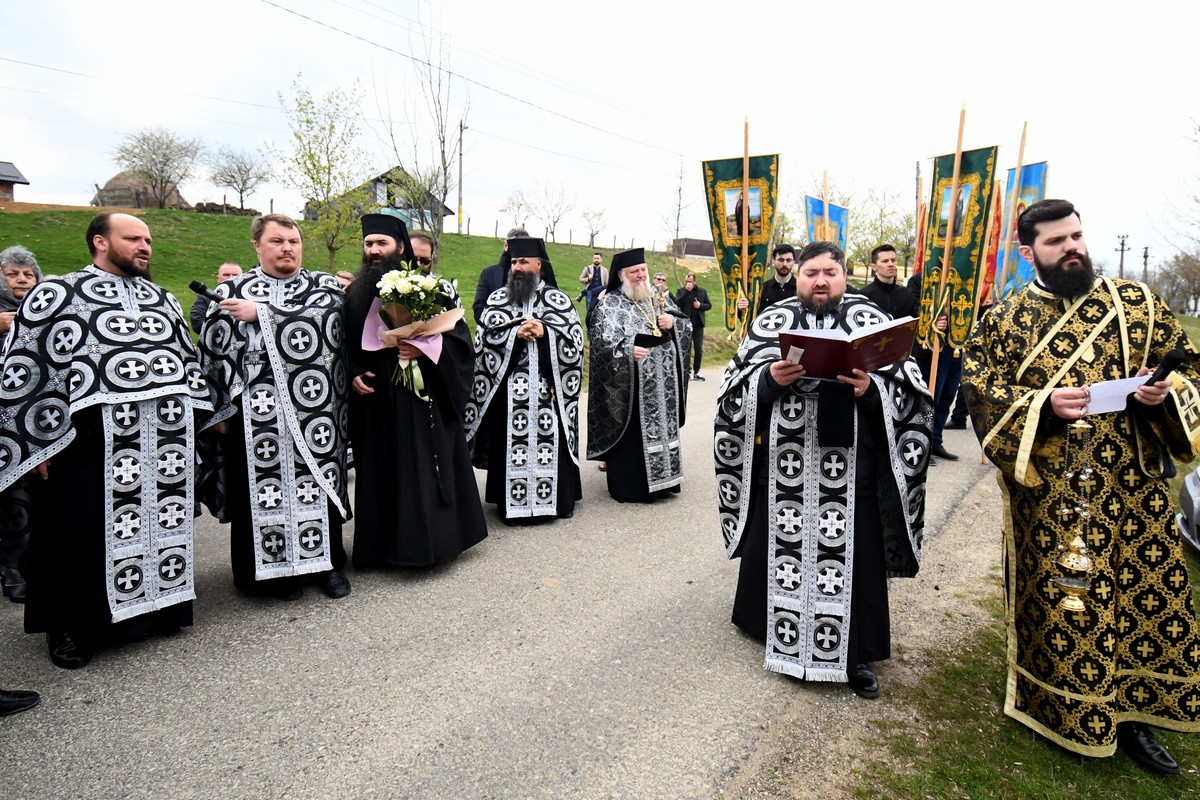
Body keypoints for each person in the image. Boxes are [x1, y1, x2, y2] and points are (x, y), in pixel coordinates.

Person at [962, 198, 1200, 775]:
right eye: (1055, 241)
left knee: (1140, 598)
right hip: (1052, 497)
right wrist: (1043, 406)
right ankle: (1065, 705)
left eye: (1075, 236)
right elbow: (982, 393)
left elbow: (1188, 368)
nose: (1071, 248)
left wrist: (1163, 393)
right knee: (1068, 602)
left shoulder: (1136, 304)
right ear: (1028, 253)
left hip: (1133, 487)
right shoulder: (1003, 321)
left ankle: (1136, 717)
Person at [714, 241, 931, 698]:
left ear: (844, 276)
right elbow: (731, 392)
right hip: (785, 467)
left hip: (852, 469)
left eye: (829, 272)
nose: (820, 281)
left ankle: (854, 653)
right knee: (781, 545)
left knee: (853, 552)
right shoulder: (771, 322)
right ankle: (778, 631)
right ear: (798, 277)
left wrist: (872, 390)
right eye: (811, 272)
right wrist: (767, 381)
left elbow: (913, 395)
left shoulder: (871, 320)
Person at [0, 212, 213, 668]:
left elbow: (187, 359)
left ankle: (151, 611)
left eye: (148, 239)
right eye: (133, 238)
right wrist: (34, 440)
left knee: (155, 523)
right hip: (85, 441)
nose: (145, 246)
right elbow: (27, 364)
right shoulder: (58, 293)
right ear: (100, 241)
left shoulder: (161, 298)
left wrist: (200, 418)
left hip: (161, 439)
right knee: (76, 533)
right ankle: (69, 627)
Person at [198, 214, 351, 602]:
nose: (287, 248)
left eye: (293, 241)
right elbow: (212, 352)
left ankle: (326, 566)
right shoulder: (233, 289)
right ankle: (272, 575)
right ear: (257, 246)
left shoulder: (322, 287)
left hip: (316, 411)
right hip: (255, 416)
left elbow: (328, 322)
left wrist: (262, 314)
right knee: (262, 494)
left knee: (317, 485)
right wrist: (217, 410)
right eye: (277, 241)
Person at [345, 214, 487, 566]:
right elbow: (342, 344)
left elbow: (460, 343)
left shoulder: (431, 290)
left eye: (382, 243)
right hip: (375, 402)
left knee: (420, 469)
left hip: (420, 401)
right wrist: (353, 371)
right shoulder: (354, 294)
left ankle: (427, 547)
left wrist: (424, 349)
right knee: (380, 471)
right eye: (369, 244)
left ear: (400, 248)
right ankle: (380, 550)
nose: (374, 250)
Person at [466, 237, 583, 523]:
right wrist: (513, 335)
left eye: (523, 262)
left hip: (547, 391)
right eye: (514, 262)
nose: (517, 267)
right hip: (508, 393)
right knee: (508, 443)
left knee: (551, 439)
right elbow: (483, 341)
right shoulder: (498, 299)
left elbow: (575, 343)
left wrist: (547, 334)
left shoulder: (559, 300)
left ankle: (553, 503)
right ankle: (511, 505)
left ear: (539, 265)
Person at [587, 248, 691, 502]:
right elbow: (601, 341)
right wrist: (625, 351)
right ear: (621, 275)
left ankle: (664, 482)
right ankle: (632, 488)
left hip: (662, 378)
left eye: (643, 270)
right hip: (630, 382)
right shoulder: (609, 303)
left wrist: (673, 324)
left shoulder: (656, 296)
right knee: (634, 436)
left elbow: (684, 322)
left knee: (662, 428)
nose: (641, 275)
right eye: (634, 272)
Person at [0, 245, 42, 602]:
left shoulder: (42, 309)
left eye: (28, 274)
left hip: (31, 416)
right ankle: (10, 567)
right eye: (13, 274)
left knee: (24, 491)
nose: (22, 279)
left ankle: (21, 564)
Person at [907, 269, 961, 462]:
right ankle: (921, 444)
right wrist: (934, 320)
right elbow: (915, 310)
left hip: (954, 348)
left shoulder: (959, 279)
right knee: (929, 399)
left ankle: (936, 441)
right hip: (929, 350)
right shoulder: (919, 280)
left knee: (946, 397)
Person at [473, 227, 528, 325]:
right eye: (515, 245)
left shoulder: (533, 275)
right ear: (506, 245)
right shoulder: (488, 274)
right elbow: (479, 309)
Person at [859, 244, 918, 320]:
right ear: (874, 267)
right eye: (885, 261)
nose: (891, 264)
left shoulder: (908, 295)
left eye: (893, 260)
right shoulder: (863, 297)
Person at [737, 243, 796, 318]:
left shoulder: (801, 289)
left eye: (788, 260)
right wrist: (741, 308)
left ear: (793, 262)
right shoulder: (762, 289)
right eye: (781, 260)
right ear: (773, 262)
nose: (785, 264)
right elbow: (751, 317)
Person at [673, 272, 711, 381]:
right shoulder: (681, 291)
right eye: (686, 281)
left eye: (690, 281)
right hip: (685, 325)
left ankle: (697, 371)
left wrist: (700, 305)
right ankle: (687, 371)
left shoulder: (702, 291)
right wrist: (686, 291)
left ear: (694, 281)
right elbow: (678, 303)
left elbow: (709, 305)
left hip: (698, 324)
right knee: (686, 349)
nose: (688, 283)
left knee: (698, 349)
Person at [189, 262, 242, 334]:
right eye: (226, 275)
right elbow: (197, 324)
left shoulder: (252, 297)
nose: (231, 277)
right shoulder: (205, 297)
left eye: (235, 275)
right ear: (218, 278)